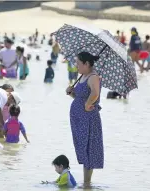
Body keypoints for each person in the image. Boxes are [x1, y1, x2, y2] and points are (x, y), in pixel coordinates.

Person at [65, 52, 103, 186]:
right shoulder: (83, 76)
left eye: (78, 63)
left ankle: (87, 183)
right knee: (82, 148)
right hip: (79, 119)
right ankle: (86, 184)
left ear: (86, 64)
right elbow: (81, 97)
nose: (76, 66)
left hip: (88, 119)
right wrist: (72, 92)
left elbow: (95, 93)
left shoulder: (93, 77)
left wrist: (88, 104)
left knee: (88, 149)